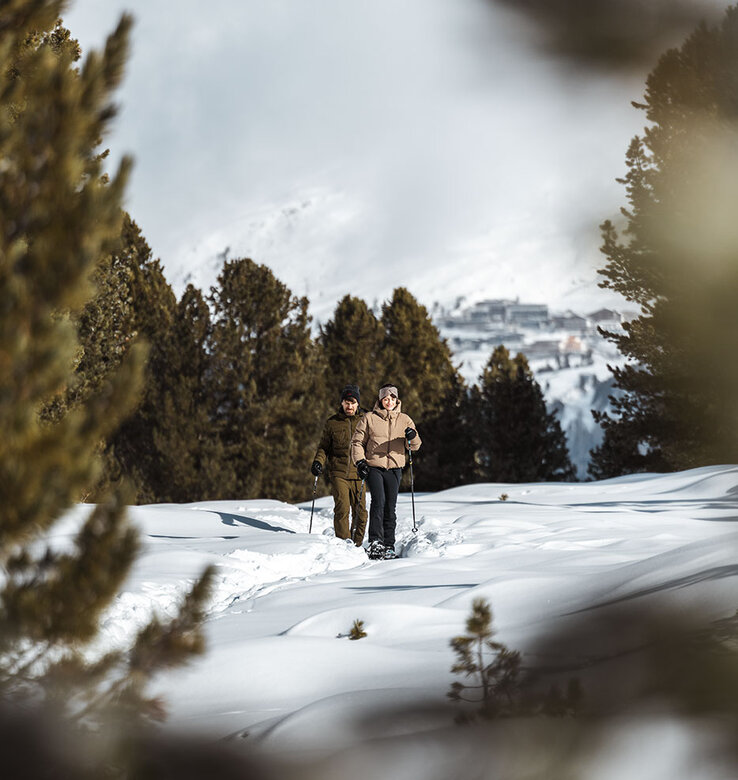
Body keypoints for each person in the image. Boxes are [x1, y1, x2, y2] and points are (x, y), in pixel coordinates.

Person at [350, 383, 421, 560]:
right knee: (378, 502)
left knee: (391, 506)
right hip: (374, 466)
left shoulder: (405, 419)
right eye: (386, 399)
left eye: (392, 398)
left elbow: (415, 445)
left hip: (395, 468)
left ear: (397, 400)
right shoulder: (369, 418)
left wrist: (412, 437)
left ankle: (389, 544)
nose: (389, 402)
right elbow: (357, 442)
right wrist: (360, 462)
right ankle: (375, 541)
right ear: (380, 400)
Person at [311, 384, 368, 545]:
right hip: (339, 473)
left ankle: (356, 545)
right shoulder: (333, 423)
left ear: (358, 404)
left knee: (361, 513)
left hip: (359, 473)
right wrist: (318, 462)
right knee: (343, 509)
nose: (349, 406)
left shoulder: (366, 421)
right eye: (346, 402)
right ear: (342, 403)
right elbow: (324, 447)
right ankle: (344, 545)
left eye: (352, 402)